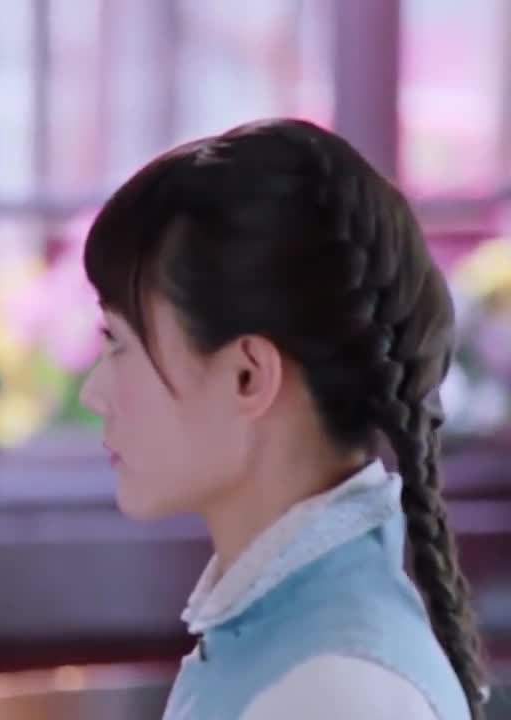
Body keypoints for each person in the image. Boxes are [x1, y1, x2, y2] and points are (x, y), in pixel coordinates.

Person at [78, 119, 489, 720]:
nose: (94, 393)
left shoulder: (332, 690)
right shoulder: (291, 640)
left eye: (118, 342)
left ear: (248, 375)